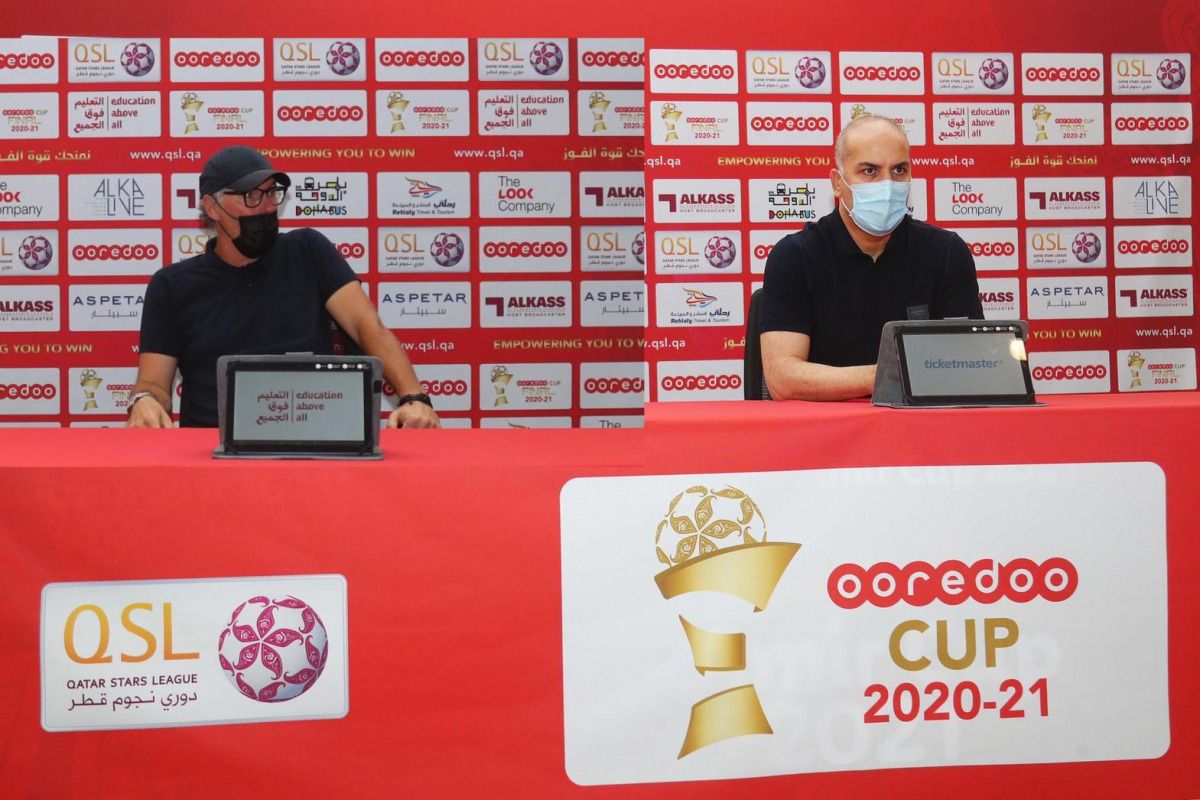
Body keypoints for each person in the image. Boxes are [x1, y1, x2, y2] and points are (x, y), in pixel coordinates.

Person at [126, 145, 440, 429]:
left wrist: (414, 397)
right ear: (211, 207)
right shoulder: (172, 285)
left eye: (271, 193)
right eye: (251, 195)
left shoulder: (308, 250)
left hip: (312, 439)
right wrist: (144, 401)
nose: (265, 207)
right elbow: (153, 384)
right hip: (211, 452)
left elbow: (365, 325)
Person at [758, 114, 983, 400]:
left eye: (899, 170)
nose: (888, 185)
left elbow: (972, 365)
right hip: (826, 432)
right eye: (869, 171)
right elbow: (783, 380)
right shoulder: (795, 256)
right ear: (838, 183)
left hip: (918, 431)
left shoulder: (946, 252)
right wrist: (888, 375)